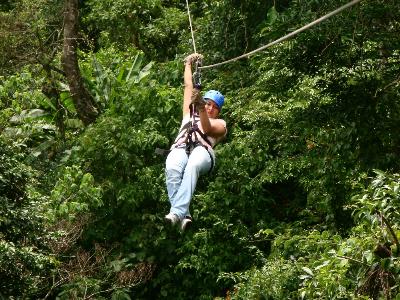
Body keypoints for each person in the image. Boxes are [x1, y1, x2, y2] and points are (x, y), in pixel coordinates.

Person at [164, 53, 227, 231]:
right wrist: (188, 64)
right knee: (172, 168)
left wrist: (201, 109)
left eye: (215, 107)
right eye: (208, 104)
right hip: (181, 148)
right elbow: (188, 86)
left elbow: (207, 129)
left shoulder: (220, 124)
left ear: (218, 111)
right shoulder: (188, 114)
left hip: (202, 154)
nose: (210, 108)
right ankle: (184, 215)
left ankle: (176, 212)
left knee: (192, 165)